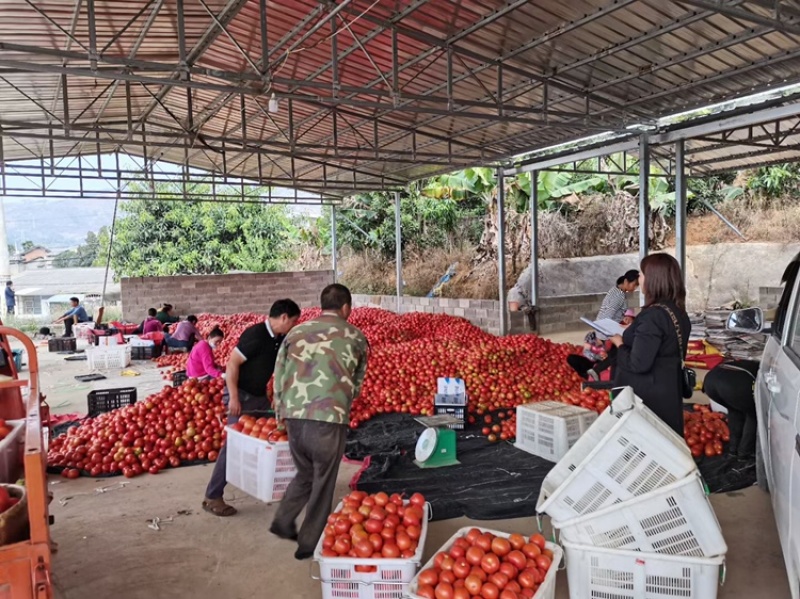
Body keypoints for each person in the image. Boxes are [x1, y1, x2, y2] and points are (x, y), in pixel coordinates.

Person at [271, 284, 369, 560]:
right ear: (346, 308)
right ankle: (309, 542)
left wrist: (281, 415)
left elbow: (279, 376)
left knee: (304, 473)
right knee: (324, 479)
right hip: (327, 419)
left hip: (294, 417)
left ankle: (282, 520)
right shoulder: (355, 337)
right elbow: (356, 384)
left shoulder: (295, 333)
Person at [202, 299, 301, 517]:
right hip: (240, 394)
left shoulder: (280, 338)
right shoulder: (255, 335)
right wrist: (234, 398)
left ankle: (274, 484)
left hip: (258, 396)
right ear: (284, 318)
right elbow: (232, 364)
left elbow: (279, 367)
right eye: (293, 321)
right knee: (234, 445)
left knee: (277, 431)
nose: (294, 325)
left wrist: (276, 394)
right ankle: (212, 496)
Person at [609, 254, 691, 437]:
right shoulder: (678, 311)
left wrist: (620, 343)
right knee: (666, 443)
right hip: (668, 391)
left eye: (641, 274)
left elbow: (638, 363)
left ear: (653, 279)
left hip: (646, 398)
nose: (639, 279)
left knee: (646, 445)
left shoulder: (652, 316)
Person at [703, 360, 759, 459]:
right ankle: (744, 452)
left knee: (734, 409)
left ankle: (733, 449)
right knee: (753, 414)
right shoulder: (767, 371)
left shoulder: (752, 364)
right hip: (732, 386)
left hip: (710, 381)